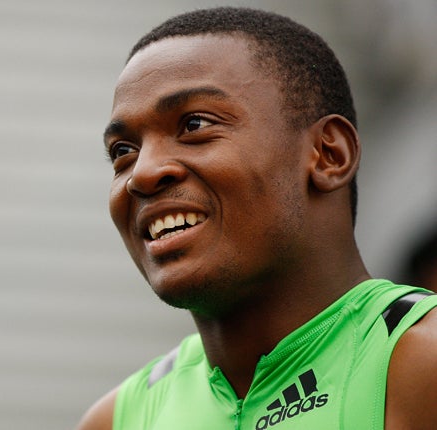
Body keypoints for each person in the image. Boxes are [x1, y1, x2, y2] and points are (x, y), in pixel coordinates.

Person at [77, 7, 437, 430]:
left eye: (194, 124)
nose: (142, 173)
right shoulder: (120, 419)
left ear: (329, 154)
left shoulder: (419, 362)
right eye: (122, 152)